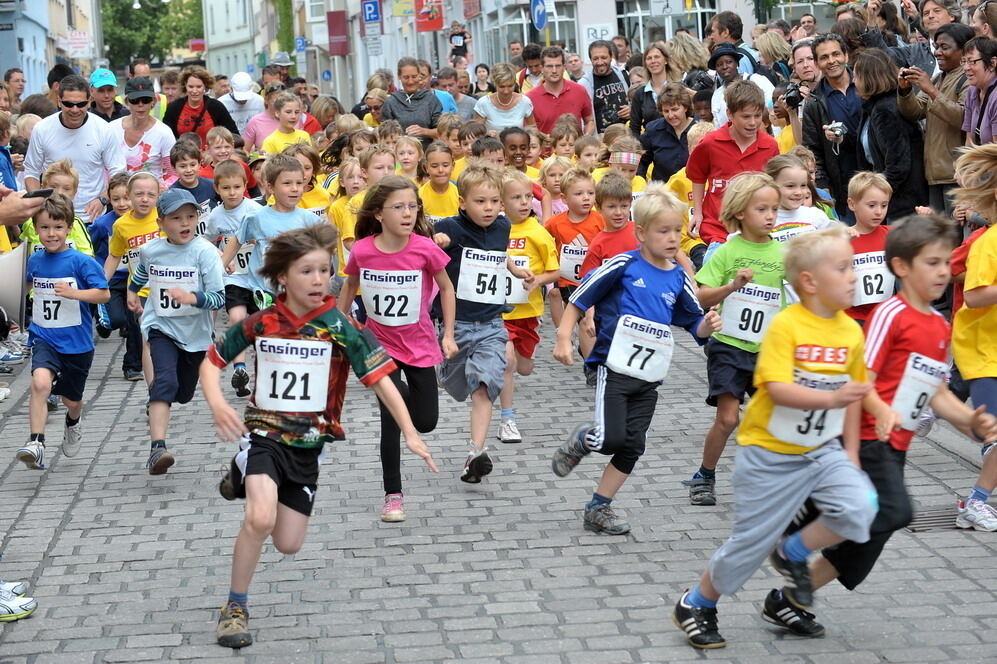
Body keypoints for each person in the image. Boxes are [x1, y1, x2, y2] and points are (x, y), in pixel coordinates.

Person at [204, 223, 437, 648]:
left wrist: (410, 433)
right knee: (259, 517)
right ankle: (235, 607)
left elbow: (384, 381)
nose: (318, 280)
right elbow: (212, 360)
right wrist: (219, 403)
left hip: (310, 445)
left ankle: (240, 473)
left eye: (325, 271)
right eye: (307, 271)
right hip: (264, 434)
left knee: (288, 543)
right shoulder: (264, 321)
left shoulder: (341, 326)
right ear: (282, 278)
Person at [768, 215, 997, 638]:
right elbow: (861, 377)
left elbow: (936, 391)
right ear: (902, 267)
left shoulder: (939, 324)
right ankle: (795, 542)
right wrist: (876, 419)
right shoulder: (891, 314)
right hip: (866, 435)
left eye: (947, 262)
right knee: (894, 512)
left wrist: (971, 421)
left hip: (895, 444)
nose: (944, 271)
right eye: (932, 262)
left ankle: (789, 599)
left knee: (870, 534)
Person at [673, 225, 879, 649]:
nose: (854, 275)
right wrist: (834, 398)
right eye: (843, 268)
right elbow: (778, 388)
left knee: (861, 509)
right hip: (769, 453)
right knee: (752, 542)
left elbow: (857, 394)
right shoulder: (787, 325)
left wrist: (854, 454)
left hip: (822, 450)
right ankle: (697, 602)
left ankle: (794, 553)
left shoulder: (850, 331)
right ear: (810, 282)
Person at [551, 183, 720, 534]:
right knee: (610, 439)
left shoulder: (679, 278)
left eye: (677, 230)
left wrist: (708, 325)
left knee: (633, 445)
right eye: (664, 231)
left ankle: (599, 508)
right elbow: (579, 298)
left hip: (650, 377)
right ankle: (584, 439)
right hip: (614, 368)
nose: (673, 238)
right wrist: (564, 337)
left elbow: (693, 325)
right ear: (641, 233)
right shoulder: (623, 265)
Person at [338, 176, 455, 521]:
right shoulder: (363, 250)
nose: (407, 213)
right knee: (390, 422)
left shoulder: (424, 248)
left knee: (426, 422)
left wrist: (447, 334)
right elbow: (350, 285)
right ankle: (393, 496)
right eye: (398, 207)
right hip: (379, 344)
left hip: (418, 344)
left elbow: (447, 289)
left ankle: (398, 394)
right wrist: (338, 322)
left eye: (412, 206)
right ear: (378, 214)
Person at [684, 173, 785, 505]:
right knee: (728, 418)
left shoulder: (783, 253)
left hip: (767, 349)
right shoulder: (728, 251)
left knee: (769, 419)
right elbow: (700, 296)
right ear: (741, 211)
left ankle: (769, 480)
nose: (770, 216)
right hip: (729, 345)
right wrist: (731, 288)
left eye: (774, 209)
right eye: (762, 209)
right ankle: (705, 474)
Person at [431, 164, 533, 482]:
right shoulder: (451, 227)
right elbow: (429, 243)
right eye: (480, 202)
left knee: (484, 387)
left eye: (493, 202)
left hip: (491, 324)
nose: (488, 208)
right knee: (452, 382)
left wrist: (515, 268)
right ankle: (439, 371)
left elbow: (498, 253)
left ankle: (474, 454)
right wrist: (437, 240)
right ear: (463, 202)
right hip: (456, 325)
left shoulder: (503, 227)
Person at [126, 187, 225, 474]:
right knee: (164, 382)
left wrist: (193, 297)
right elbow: (144, 271)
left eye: (190, 217)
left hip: (195, 336)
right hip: (161, 326)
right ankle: (158, 448)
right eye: (176, 218)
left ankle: (168, 403)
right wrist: (133, 291)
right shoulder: (151, 250)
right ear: (160, 224)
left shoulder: (205, 253)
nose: (184, 223)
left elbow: (219, 298)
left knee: (182, 393)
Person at [15, 193, 110, 471]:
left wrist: (74, 293)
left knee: (72, 400)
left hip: (77, 343)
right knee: (40, 384)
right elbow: (25, 287)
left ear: (69, 228)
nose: (51, 233)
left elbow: (103, 295)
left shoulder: (81, 262)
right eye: (44, 227)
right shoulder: (34, 261)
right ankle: (36, 443)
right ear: (36, 229)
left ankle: (73, 421)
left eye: (57, 227)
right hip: (44, 337)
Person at [951, 143, 997, 531]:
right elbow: (975, 295)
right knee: (994, 434)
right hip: (984, 352)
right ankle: (975, 503)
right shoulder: (988, 242)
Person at [495, 168, 559, 443]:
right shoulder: (494, 229)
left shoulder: (538, 232)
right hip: (499, 313)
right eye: (516, 198)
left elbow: (555, 272)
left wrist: (537, 281)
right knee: (506, 363)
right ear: (501, 202)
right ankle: (507, 418)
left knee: (524, 368)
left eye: (526, 197)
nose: (523, 202)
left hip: (528, 312)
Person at [220, 154, 325, 308]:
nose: (295, 188)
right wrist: (219, 268)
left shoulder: (311, 221)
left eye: (299, 183)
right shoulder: (256, 218)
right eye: (287, 183)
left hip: (296, 294)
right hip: (263, 293)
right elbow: (237, 240)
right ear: (270, 187)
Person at [688, 81, 780, 246]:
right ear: (730, 114)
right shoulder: (711, 142)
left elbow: (775, 186)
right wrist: (698, 213)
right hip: (716, 228)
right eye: (746, 116)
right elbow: (697, 175)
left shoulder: (770, 146)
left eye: (757, 115)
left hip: (753, 230)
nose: (752, 122)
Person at [23, 74, 125, 223]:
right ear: (59, 101)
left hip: (92, 217)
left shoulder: (103, 129)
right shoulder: (42, 129)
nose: (75, 110)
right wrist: (40, 204)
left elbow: (118, 171)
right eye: (69, 104)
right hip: (53, 216)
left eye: (81, 104)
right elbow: (31, 171)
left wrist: (102, 199)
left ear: (89, 101)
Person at [895, 23, 972, 214]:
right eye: (937, 46)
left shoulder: (968, 79)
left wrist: (931, 90)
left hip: (956, 174)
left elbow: (964, 118)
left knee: (954, 237)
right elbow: (915, 111)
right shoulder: (939, 78)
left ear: (964, 51)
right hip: (935, 174)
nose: (938, 52)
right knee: (940, 235)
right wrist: (905, 90)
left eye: (945, 47)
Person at [204, 160, 264, 396]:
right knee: (237, 318)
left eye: (237, 187)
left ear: (245, 186)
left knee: (261, 327)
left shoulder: (255, 211)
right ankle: (240, 369)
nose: (232, 192)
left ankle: (264, 376)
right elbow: (206, 242)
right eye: (226, 188)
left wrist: (256, 242)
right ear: (217, 189)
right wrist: (221, 255)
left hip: (258, 278)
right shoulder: (215, 216)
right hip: (233, 278)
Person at [852, 49, 927, 220]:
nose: (853, 80)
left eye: (856, 75)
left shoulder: (885, 109)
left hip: (903, 203)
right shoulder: (874, 107)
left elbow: (898, 163)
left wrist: (876, 194)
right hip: (891, 199)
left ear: (869, 77)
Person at [803, 33, 864, 220]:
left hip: (877, 179)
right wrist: (822, 188)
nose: (831, 61)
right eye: (824, 57)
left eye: (835, 54)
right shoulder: (814, 102)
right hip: (842, 190)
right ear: (816, 63)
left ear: (846, 55)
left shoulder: (867, 84)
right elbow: (812, 150)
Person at [91, 172, 145, 380]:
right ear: (109, 200)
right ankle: (103, 321)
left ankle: (132, 366)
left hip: (136, 280)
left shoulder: (143, 220)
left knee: (135, 323)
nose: (122, 204)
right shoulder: (103, 224)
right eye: (116, 199)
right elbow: (91, 248)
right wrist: (98, 272)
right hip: (112, 279)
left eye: (126, 198)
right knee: (116, 320)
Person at [109, 77, 177, 182]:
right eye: (135, 100)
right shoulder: (111, 129)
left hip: (152, 194)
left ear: (153, 101)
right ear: (127, 102)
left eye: (146, 100)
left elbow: (173, 173)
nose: (140, 105)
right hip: (119, 194)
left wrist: (162, 187)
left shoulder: (164, 132)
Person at [765, 154, 836, 244]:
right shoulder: (762, 220)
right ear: (771, 184)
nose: (798, 192)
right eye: (790, 186)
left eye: (803, 185)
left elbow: (836, 241)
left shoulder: (815, 216)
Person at [162, 66, 238, 149]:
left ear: (205, 87)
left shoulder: (216, 107)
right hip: (185, 158)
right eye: (191, 87)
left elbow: (234, 134)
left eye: (198, 87)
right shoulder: (174, 107)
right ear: (185, 86)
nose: (194, 91)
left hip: (211, 158)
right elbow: (166, 137)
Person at [527, 47, 595, 135]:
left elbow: (589, 121)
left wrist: (585, 138)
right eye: (549, 66)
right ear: (542, 68)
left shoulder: (580, 90)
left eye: (558, 66)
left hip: (575, 147)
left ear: (564, 67)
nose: (554, 71)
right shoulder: (530, 98)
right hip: (546, 148)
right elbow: (529, 131)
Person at [638, 83, 696, 184]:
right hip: (663, 193)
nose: (670, 115)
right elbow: (641, 161)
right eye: (666, 111)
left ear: (686, 107)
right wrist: (641, 184)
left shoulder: (699, 129)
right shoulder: (654, 130)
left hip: (692, 192)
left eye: (675, 109)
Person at [709, 43, 776, 128]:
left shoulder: (757, 81)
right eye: (719, 65)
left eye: (729, 62)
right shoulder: (717, 95)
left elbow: (773, 110)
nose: (725, 67)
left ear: (737, 63)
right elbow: (718, 126)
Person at [382, 57, 442, 147]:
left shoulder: (430, 100)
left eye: (414, 77)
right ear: (399, 76)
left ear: (419, 76)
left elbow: (442, 132)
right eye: (406, 77)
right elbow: (385, 135)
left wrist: (424, 131)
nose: (410, 82)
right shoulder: (391, 102)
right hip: (400, 156)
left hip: (426, 154)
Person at [579, 40, 631, 134]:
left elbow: (636, 102)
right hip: (600, 142)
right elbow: (582, 118)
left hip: (626, 138)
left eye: (604, 57)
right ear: (591, 60)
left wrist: (631, 109)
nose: (600, 62)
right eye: (595, 58)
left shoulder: (624, 75)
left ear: (611, 57)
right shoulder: (583, 85)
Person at [473, 63, 535, 133]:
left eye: (510, 86)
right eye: (502, 86)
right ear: (495, 84)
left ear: (515, 84)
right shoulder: (484, 103)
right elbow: (476, 133)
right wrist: (487, 135)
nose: (506, 91)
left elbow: (532, 130)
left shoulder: (524, 102)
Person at [629, 42, 673, 136]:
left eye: (657, 57)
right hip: (651, 147)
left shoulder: (678, 88)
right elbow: (634, 128)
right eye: (649, 58)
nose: (653, 61)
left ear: (666, 60)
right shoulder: (640, 94)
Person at [961, 36, 997, 146]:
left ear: (992, 63)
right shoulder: (973, 91)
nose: (966, 68)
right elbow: (969, 142)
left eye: (971, 61)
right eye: (964, 61)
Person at [709, 11, 758, 76]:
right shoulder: (750, 52)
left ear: (725, 32)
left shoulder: (739, 58)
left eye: (713, 32)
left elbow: (741, 85)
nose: (711, 37)